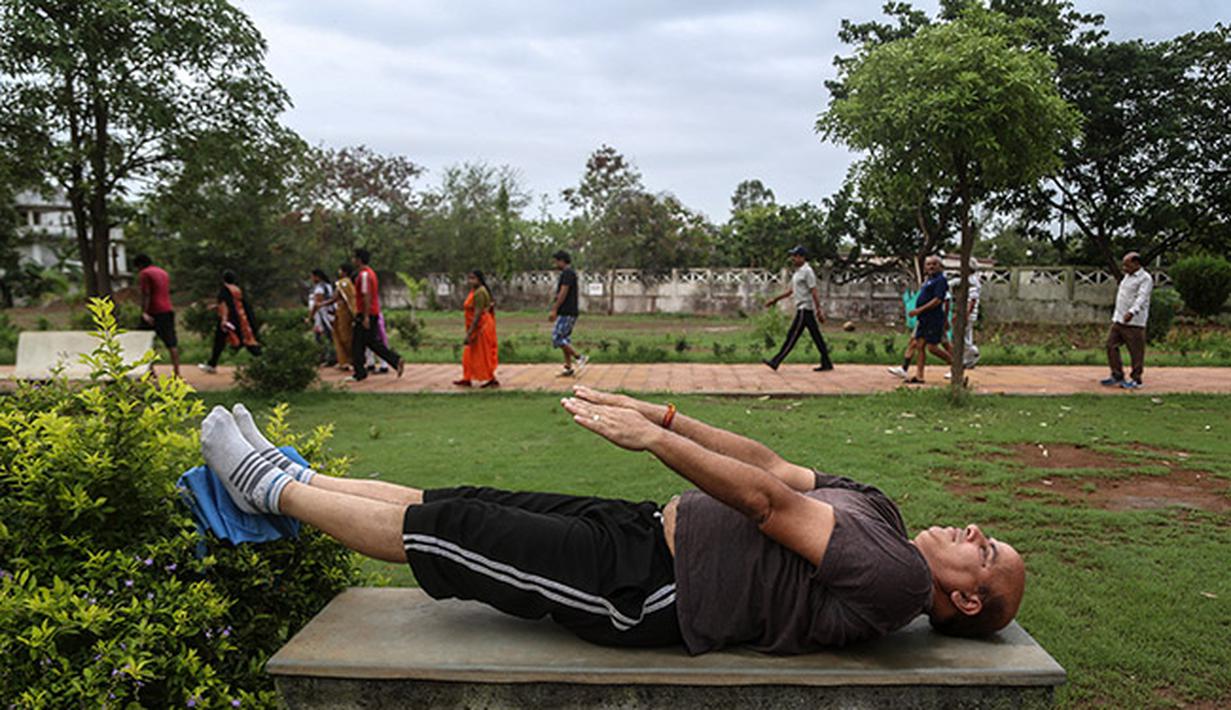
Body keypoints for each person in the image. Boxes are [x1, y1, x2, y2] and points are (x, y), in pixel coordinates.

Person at [199, 386, 1026, 655]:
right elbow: (772, 466)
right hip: (644, 530)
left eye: (983, 553)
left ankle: (265, 491)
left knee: (452, 538)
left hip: (647, 591)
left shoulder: (895, 582)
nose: (972, 531)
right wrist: (664, 418)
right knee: (456, 504)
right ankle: (289, 475)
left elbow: (766, 505)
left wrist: (650, 447)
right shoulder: (882, 513)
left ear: (961, 600)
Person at [762, 245, 834, 372]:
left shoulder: (808, 271)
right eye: (793, 256)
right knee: (817, 337)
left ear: (802, 257)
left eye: (795, 256)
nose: (793, 258)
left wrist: (819, 310)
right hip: (803, 309)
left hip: (804, 309)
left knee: (792, 336)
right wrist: (775, 300)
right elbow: (791, 291)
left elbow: (814, 291)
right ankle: (827, 362)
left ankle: (776, 361)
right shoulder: (798, 272)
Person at [888, 256, 952, 384]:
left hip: (933, 318)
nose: (931, 267)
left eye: (934, 264)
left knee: (932, 347)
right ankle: (919, 375)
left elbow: (938, 300)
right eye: (928, 264)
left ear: (940, 266)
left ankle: (955, 364)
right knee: (919, 345)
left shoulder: (940, 280)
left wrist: (919, 310)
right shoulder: (928, 280)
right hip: (923, 319)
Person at [348, 248, 405, 382]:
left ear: (359, 260)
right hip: (371, 311)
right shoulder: (370, 273)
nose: (353, 261)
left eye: (354, 258)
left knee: (357, 343)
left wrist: (366, 316)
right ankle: (395, 360)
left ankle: (360, 373)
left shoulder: (364, 276)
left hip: (366, 313)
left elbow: (366, 296)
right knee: (370, 342)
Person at [1101, 252, 1153, 390]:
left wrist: (1132, 312)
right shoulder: (1127, 277)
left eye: (1127, 265)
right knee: (1110, 345)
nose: (1124, 268)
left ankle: (1136, 379)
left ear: (1136, 264)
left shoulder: (1145, 279)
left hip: (1134, 322)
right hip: (1119, 319)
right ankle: (1117, 375)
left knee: (1136, 351)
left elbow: (1142, 298)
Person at [198, 271, 261, 374]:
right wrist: (216, 307)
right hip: (239, 319)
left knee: (220, 341)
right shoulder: (237, 289)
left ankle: (212, 365)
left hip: (228, 320)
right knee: (246, 340)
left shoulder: (224, 290)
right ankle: (263, 359)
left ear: (223, 279)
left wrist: (224, 320)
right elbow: (235, 304)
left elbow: (225, 305)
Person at [133, 253, 181, 378]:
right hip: (167, 310)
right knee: (171, 342)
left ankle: (150, 371)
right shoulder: (163, 272)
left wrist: (144, 312)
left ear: (140, 265)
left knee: (142, 341)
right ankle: (177, 372)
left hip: (153, 312)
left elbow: (147, 294)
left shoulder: (145, 274)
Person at [454, 270, 499, 388]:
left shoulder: (480, 292)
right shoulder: (475, 291)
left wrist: (469, 333)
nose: (470, 281)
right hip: (476, 325)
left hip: (481, 327)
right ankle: (467, 377)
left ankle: (490, 378)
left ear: (479, 279)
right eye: (469, 278)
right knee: (469, 353)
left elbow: (478, 314)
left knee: (483, 353)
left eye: (473, 278)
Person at [549, 250, 588, 377]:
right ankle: (568, 367)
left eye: (556, 261)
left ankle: (579, 357)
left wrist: (555, 309)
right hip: (567, 311)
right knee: (564, 339)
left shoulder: (567, 273)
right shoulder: (568, 273)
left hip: (567, 312)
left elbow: (563, 292)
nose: (555, 263)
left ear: (562, 261)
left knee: (557, 338)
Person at [942, 271, 981, 380]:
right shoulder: (970, 279)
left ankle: (971, 354)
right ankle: (969, 359)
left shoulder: (972, 281)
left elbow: (972, 301)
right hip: (968, 314)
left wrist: (964, 315)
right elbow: (954, 282)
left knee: (959, 339)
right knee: (966, 337)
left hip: (967, 315)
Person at [307, 269, 336, 367]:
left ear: (317, 277)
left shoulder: (320, 288)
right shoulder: (328, 285)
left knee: (324, 336)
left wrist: (310, 317)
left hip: (322, 316)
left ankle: (327, 357)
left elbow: (317, 304)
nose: (311, 279)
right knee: (329, 336)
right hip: (329, 314)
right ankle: (330, 356)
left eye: (312, 276)